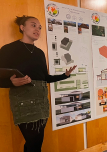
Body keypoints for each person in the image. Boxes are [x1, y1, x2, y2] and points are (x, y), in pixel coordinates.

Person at [0, 15, 77, 152]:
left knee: (36, 142)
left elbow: (44, 78)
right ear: (22, 27)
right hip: (23, 102)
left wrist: (64, 76)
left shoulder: (40, 53)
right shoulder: (8, 49)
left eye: (40, 27)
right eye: (33, 25)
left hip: (41, 102)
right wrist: (11, 82)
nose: (38, 29)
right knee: (34, 142)